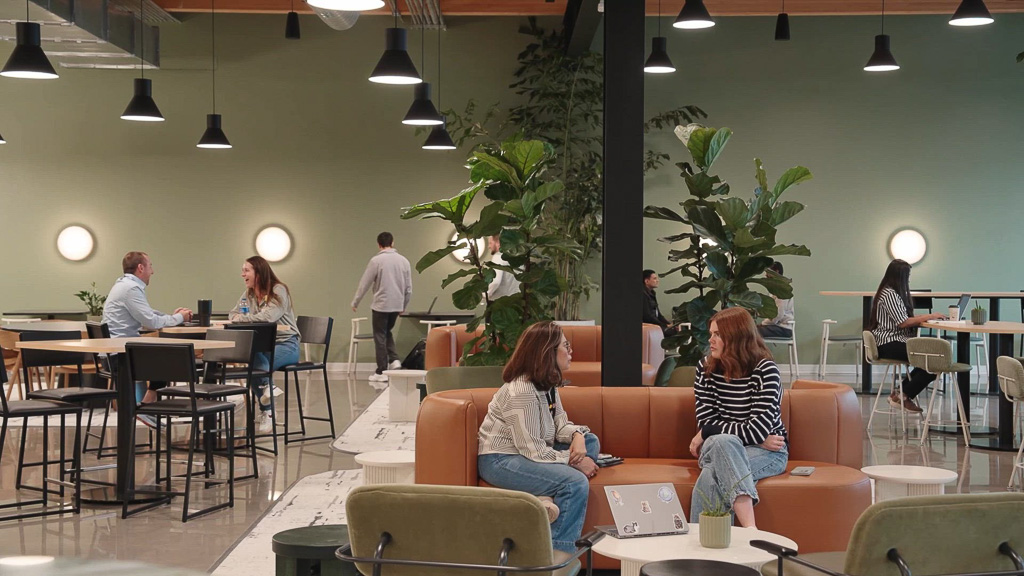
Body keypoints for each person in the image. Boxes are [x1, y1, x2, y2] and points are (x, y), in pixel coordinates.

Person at [477, 321, 601, 553]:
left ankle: (545, 493)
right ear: (547, 352)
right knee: (575, 482)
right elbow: (532, 450)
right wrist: (575, 461)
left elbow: (560, 424)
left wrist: (577, 435)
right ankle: (555, 554)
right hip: (502, 460)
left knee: (590, 440)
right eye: (566, 345)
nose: (571, 351)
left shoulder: (547, 384)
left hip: (529, 452)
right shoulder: (521, 391)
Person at [689, 307, 788, 528]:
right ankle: (750, 531)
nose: (710, 340)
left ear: (736, 338)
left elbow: (753, 430)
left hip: (769, 452)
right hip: (718, 447)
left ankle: (699, 545)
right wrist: (752, 437)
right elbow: (707, 423)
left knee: (712, 474)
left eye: (717, 335)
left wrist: (709, 432)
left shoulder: (765, 370)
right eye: (711, 334)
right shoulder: (705, 368)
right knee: (723, 443)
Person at [102, 251, 192, 414]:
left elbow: (148, 313)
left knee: (164, 355)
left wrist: (173, 317)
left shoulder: (124, 285)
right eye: (150, 266)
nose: (153, 271)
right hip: (120, 357)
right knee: (171, 357)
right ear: (141, 268)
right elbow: (151, 322)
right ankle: (146, 406)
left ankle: (146, 406)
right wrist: (180, 317)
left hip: (114, 353)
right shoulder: (131, 289)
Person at [229, 255, 301, 432]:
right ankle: (269, 392)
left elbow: (269, 317)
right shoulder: (249, 293)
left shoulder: (278, 290)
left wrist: (242, 318)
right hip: (263, 346)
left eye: (246, 270)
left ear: (259, 273)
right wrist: (240, 317)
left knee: (255, 366)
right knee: (252, 358)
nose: (242, 274)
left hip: (287, 344)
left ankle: (267, 411)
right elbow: (232, 314)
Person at [869, 259, 945, 413]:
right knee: (934, 360)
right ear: (900, 277)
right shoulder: (890, 295)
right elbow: (903, 322)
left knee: (930, 361)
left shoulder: (889, 292)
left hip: (892, 341)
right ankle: (903, 396)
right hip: (889, 342)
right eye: (907, 276)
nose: (908, 280)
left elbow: (903, 317)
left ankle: (900, 394)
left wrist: (924, 317)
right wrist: (930, 316)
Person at [351, 232, 413, 383]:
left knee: (379, 336)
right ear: (392, 242)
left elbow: (365, 283)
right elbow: (409, 288)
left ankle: (381, 371)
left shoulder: (376, 261)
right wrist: (403, 306)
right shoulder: (404, 261)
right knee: (387, 332)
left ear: (379, 244)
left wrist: (355, 302)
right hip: (396, 304)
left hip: (381, 304)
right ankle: (394, 360)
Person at [757, 261, 795, 339]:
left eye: (768, 272)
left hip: (783, 328)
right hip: (779, 327)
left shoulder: (780, 290)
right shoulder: (777, 288)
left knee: (749, 332)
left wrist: (763, 323)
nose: (765, 275)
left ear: (776, 272)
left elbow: (778, 315)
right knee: (750, 330)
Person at [643, 269, 682, 336]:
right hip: (650, 325)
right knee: (673, 332)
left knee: (677, 330)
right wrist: (665, 325)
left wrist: (670, 325)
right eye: (654, 278)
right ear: (646, 281)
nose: (657, 280)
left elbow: (659, 315)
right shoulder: (643, 295)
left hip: (656, 324)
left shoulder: (652, 293)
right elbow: (648, 316)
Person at [486, 234, 520, 300]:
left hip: (501, 301)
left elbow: (495, 281)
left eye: (490, 243)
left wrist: (485, 294)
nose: (489, 246)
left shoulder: (498, 257)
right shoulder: (515, 258)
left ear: (498, 243)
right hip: (516, 299)